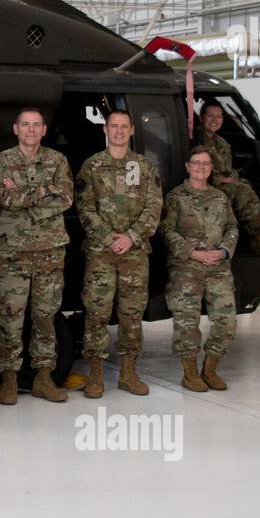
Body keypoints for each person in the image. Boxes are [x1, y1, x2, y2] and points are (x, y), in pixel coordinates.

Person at [0, 107, 73, 405]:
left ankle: (43, 377)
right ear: (16, 129)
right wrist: (45, 190)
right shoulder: (2, 161)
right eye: (25, 124)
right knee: (10, 315)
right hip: (12, 252)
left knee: (45, 315)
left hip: (49, 251)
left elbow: (65, 198)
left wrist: (25, 192)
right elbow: (5, 197)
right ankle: (9, 378)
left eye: (36, 125)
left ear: (44, 130)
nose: (31, 130)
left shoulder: (57, 160)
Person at [76, 109, 163, 397]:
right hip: (101, 253)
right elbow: (84, 208)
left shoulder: (144, 167)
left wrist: (131, 237)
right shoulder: (91, 166)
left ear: (132, 130)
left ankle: (128, 373)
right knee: (97, 313)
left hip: (134, 254)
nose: (119, 131)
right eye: (114, 126)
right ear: (105, 130)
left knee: (131, 314)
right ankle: (96, 376)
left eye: (124, 126)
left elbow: (154, 208)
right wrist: (106, 236)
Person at [160, 146, 239, 392]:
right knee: (187, 320)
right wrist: (192, 252)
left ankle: (210, 369)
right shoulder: (175, 197)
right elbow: (166, 230)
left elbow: (232, 227)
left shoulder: (220, 197)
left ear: (211, 168)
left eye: (205, 164)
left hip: (218, 267)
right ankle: (190, 372)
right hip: (187, 267)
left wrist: (224, 250)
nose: (201, 168)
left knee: (226, 322)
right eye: (196, 163)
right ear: (188, 166)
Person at [198, 101, 260, 255]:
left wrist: (233, 178)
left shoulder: (221, 142)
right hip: (205, 185)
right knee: (243, 191)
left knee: (247, 184)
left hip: (219, 184)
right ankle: (258, 238)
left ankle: (246, 236)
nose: (214, 120)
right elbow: (196, 168)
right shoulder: (197, 140)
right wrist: (220, 180)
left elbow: (228, 168)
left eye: (218, 116)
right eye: (210, 116)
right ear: (201, 117)